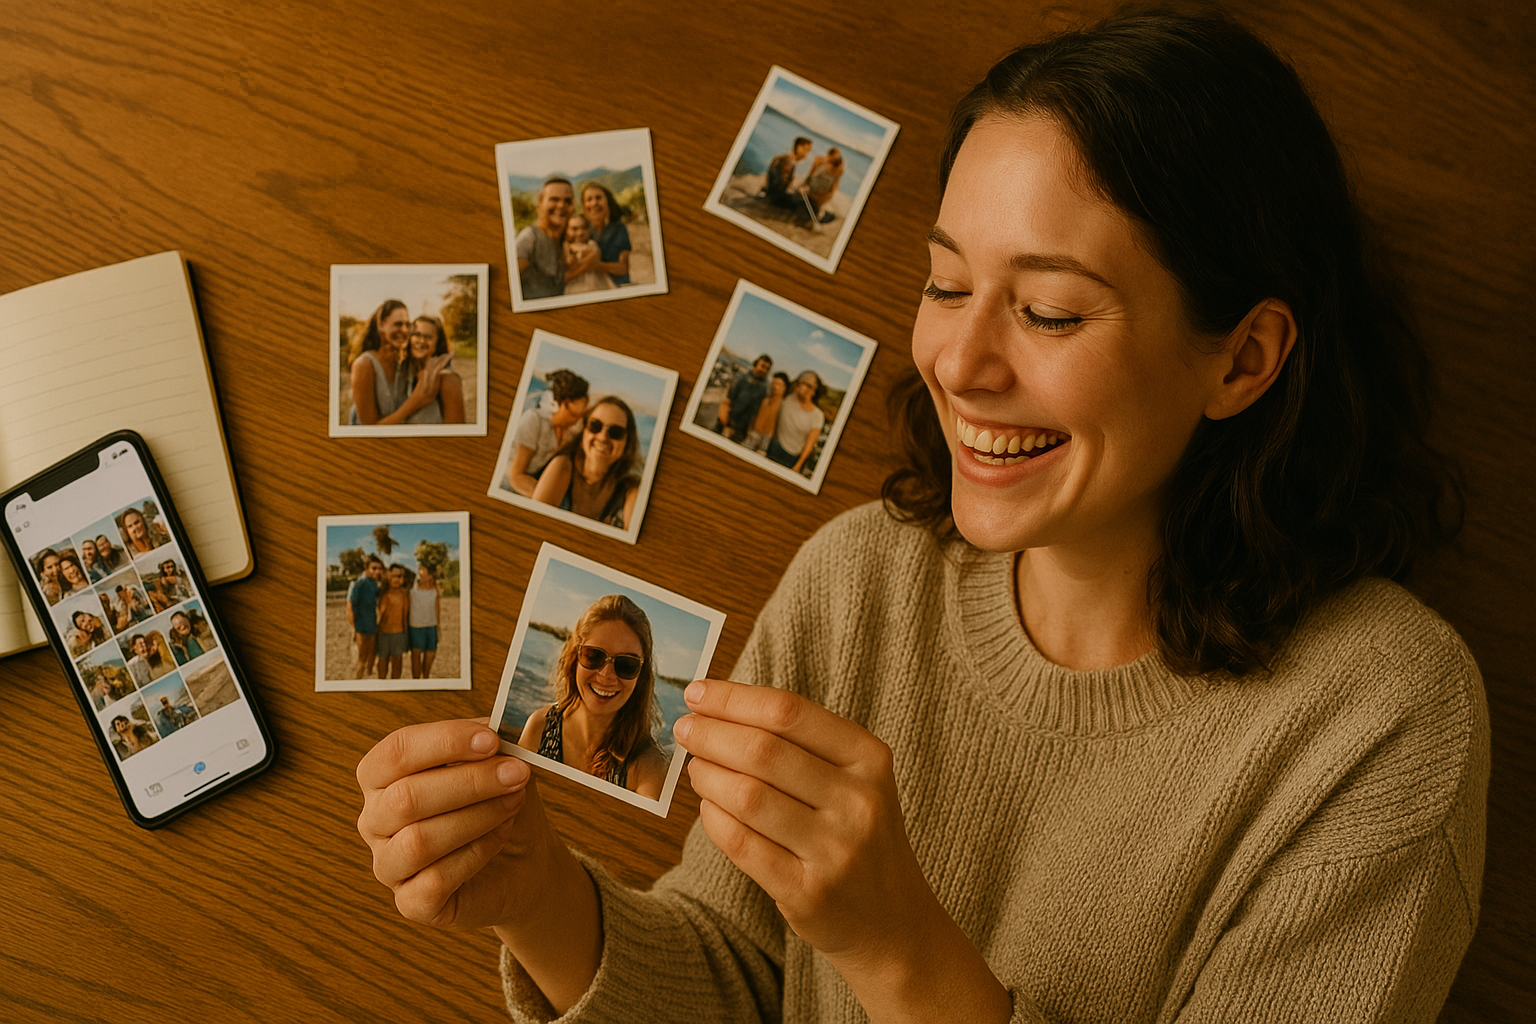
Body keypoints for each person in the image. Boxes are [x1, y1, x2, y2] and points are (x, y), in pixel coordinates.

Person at [354, 10, 1486, 1023]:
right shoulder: (862, 577)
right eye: (946, 284)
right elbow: (742, 983)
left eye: (1049, 311)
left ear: (1241, 360)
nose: (958, 361)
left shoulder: (1382, 717)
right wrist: (541, 899)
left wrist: (896, 947)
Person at [513, 594, 667, 800]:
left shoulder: (647, 766)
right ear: (575, 656)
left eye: (626, 664)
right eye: (594, 655)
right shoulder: (539, 727)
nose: (606, 675)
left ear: (641, 675)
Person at [531, 397, 642, 531]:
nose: (602, 437)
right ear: (584, 431)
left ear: (627, 442)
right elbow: (535, 525)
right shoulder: (562, 465)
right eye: (595, 426)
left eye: (615, 432)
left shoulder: (631, 490)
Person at [348, 299, 450, 426]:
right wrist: (416, 401)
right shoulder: (364, 364)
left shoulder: (401, 366)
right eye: (398, 324)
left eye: (407, 325)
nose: (404, 330)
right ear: (381, 325)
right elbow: (369, 431)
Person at [506, 369, 589, 497]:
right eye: (574, 415)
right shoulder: (534, 420)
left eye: (581, 416)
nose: (577, 421)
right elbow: (516, 476)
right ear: (563, 405)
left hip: (534, 482)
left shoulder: (568, 433)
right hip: (510, 485)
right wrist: (546, 499)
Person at [399, 315, 466, 425]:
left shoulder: (448, 380)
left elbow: (457, 431)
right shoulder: (402, 372)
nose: (421, 341)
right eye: (416, 334)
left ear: (438, 342)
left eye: (428, 337)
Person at [516, 178, 575, 299]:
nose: (561, 205)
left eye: (567, 201)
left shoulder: (563, 239)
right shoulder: (529, 238)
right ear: (540, 203)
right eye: (554, 199)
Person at [765, 370, 828, 475]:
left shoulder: (817, 415)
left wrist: (798, 466)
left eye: (810, 386)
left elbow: (810, 444)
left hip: (792, 457)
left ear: (814, 391)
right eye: (803, 383)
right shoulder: (787, 398)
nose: (805, 388)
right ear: (797, 385)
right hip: (775, 446)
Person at [581, 182, 632, 286]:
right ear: (584, 205)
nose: (594, 203)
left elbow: (623, 268)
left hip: (617, 285)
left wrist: (593, 265)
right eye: (589, 199)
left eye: (598, 198)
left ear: (607, 201)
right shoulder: (582, 229)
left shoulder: (619, 228)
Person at [716, 354, 772, 440]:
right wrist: (725, 423)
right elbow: (727, 400)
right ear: (756, 364)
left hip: (742, 429)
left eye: (767, 369)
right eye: (762, 366)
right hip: (726, 421)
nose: (764, 370)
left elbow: (757, 410)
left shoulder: (764, 388)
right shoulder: (740, 377)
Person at [347, 556, 384, 678]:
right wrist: (353, 628)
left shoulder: (374, 584)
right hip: (361, 627)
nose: (377, 571)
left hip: (372, 626)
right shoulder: (358, 584)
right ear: (366, 568)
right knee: (361, 660)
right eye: (374, 568)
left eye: (379, 568)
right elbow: (350, 607)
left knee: (371, 657)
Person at [560, 214, 614, 295]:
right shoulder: (565, 247)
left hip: (594, 284)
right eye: (574, 229)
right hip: (575, 286)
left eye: (584, 228)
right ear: (566, 230)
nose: (580, 233)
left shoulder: (591, 244)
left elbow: (594, 257)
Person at [375, 564, 411, 680]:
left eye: (400, 576)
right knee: (382, 661)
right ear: (389, 576)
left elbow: (406, 616)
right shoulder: (382, 594)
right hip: (383, 634)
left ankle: (395, 686)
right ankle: (382, 686)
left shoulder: (405, 595)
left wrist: (406, 635)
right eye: (395, 576)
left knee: (397, 662)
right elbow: (378, 617)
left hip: (399, 633)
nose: (397, 579)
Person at [408, 564, 442, 681]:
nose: (420, 573)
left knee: (430, 654)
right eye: (420, 571)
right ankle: (416, 682)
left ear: (430, 575)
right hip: (416, 626)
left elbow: (437, 608)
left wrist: (438, 627)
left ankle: (426, 678)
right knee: (416, 654)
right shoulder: (412, 587)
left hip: (431, 626)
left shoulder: (435, 590)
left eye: (423, 571)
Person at [743, 372, 789, 453]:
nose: (775, 386)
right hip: (753, 434)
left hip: (766, 440)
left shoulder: (783, 406)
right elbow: (754, 416)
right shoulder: (765, 400)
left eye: (778, 384)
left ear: (784, 387)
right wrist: (750, 430)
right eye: (773, 383)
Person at [762, 136, 812, 209]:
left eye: (809, 151)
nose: (807, 153)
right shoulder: (788, 162)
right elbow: (781, 185)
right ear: (798, 147)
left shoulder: (783, 158)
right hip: (775, 198)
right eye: (805, 149)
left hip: (770, 192)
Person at [798, 146, 844, 225]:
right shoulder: (820, 161)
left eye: (837, 156)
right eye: (835, 155)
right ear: (829, 154)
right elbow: (811, 173)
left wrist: (829, 195)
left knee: (814, 207)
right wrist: (805, 184)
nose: (836, 158)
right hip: (813, 190)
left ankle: (818, 213)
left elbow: (835, 185)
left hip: (821, 193)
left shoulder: (838, 169)